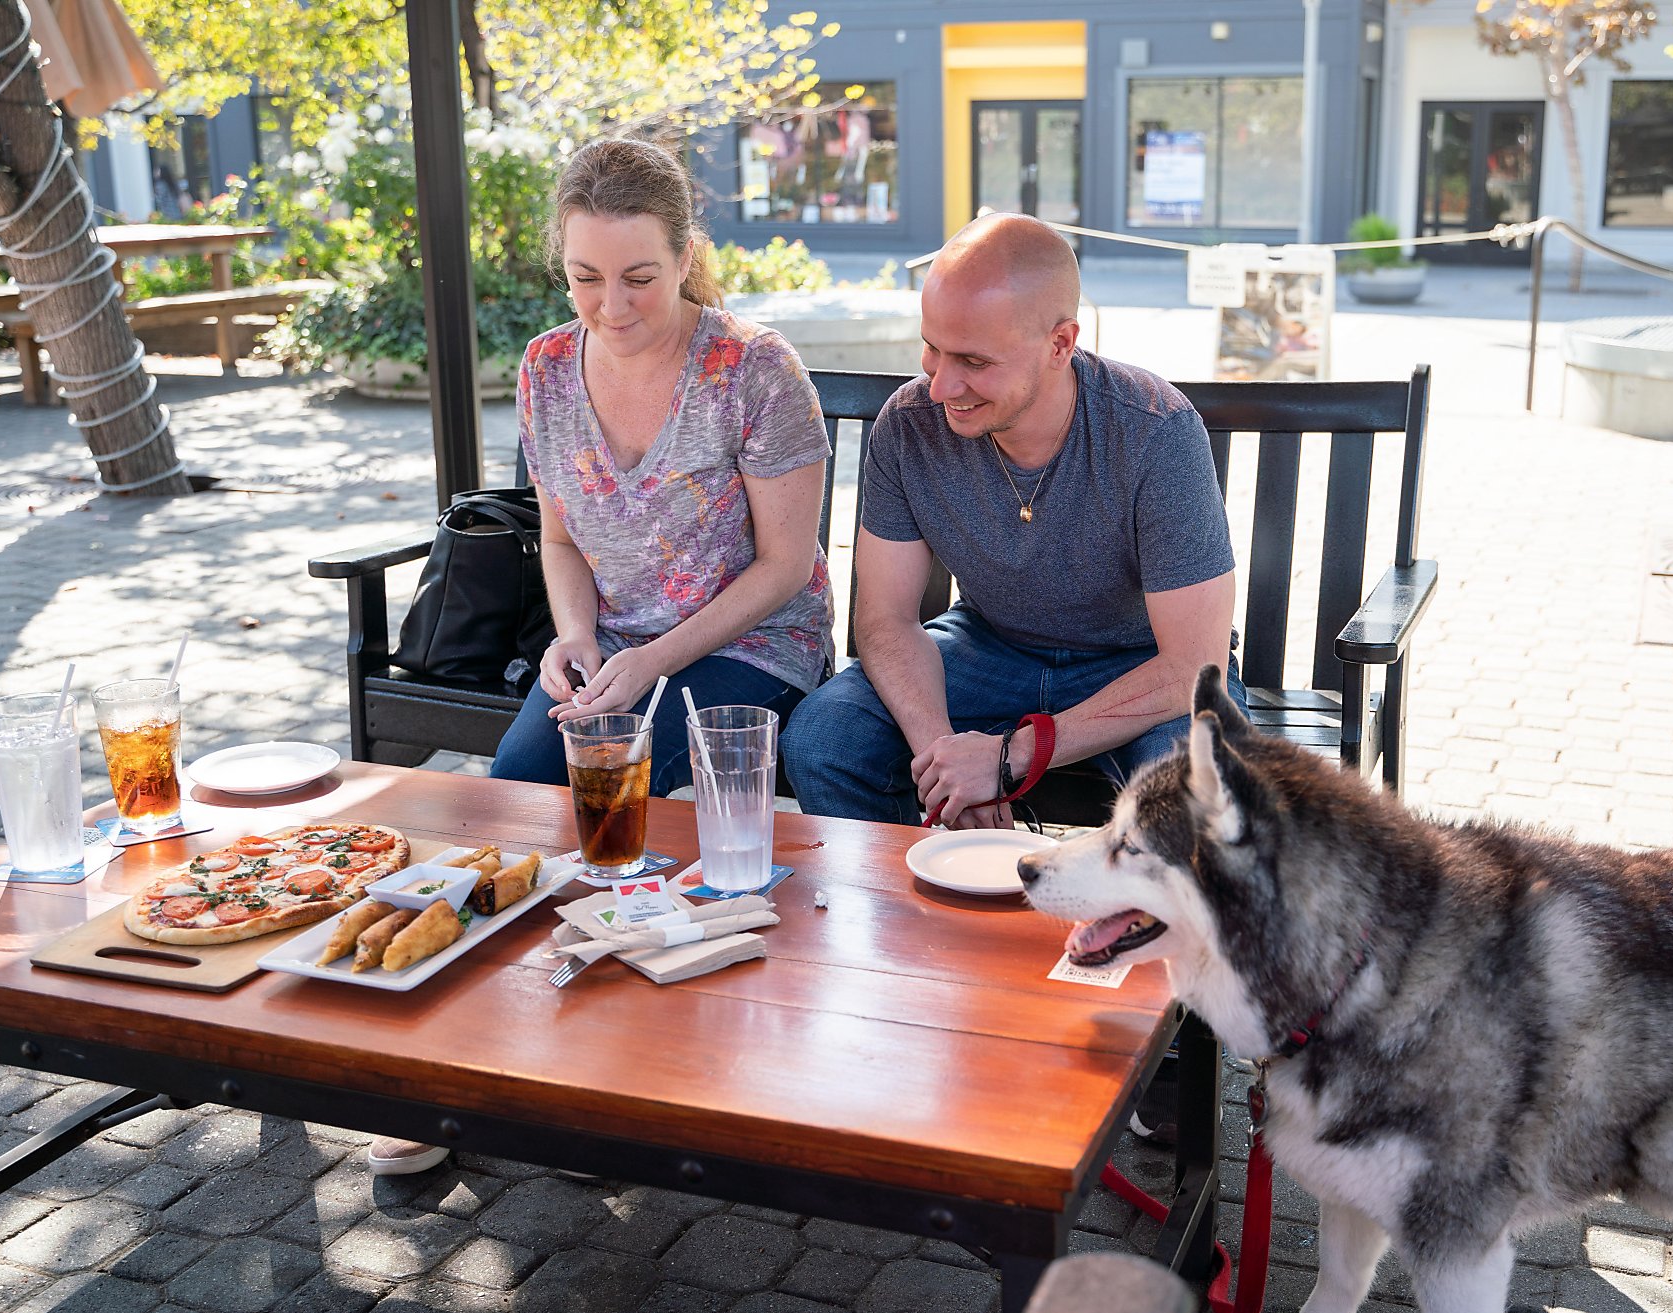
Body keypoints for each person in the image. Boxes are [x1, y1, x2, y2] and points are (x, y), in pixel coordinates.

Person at [369, 136, 834, 1178]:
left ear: (684, 257)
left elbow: (785, 565)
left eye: (638, 278)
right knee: (517, 796)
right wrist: (575, 640)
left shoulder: (752, 369)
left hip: (750, 638)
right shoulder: (544, 367)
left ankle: (601, 1077)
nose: (609, 306)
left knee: (610, 812)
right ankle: (466, 1070)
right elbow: (565, 540)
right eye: (584, 278)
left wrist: (653, 659)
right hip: (614, 644)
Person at [780, 212, 1244, 832]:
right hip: (988, 648)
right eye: (932, 349)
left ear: (1060, 344)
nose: (943, 385)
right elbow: (884, 620)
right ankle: (911, 915)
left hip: (1140, 666)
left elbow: (1194, 663)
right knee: (823, 739)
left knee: (1190, 789)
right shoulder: (909, 426)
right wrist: (946, 764)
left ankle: (1118, 929)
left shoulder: (1154, 429)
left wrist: (1007, 759)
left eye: (973, 360)